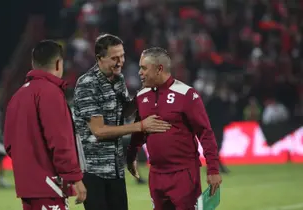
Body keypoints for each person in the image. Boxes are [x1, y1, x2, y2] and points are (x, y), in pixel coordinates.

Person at [73, 34, 170, 210]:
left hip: (116, 168)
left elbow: (125, 111)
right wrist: (141, 126)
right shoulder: (87, 84)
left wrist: (146, 89)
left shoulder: (118, 79)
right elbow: (99, 131)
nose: (120, 62)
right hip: (94, 171)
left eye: (122, 56)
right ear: (99, 58)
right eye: (114, 58)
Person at [126, 47, 222, 210]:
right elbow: (139, 132)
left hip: (184, 174)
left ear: (159, 69)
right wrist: (131, 156)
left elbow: (205, 133)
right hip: (156, 174)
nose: (140, 73)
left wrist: (213, 169)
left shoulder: (186, 94)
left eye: (144, 68)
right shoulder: (142, 96)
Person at [4, 40, 86, 210]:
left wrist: (29, 167)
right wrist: (75, 178)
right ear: (58, 63)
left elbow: (9, 144)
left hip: (28, 187)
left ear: (33, 64)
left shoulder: (18, 95)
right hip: (49, 186)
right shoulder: (51, 92)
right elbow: (60, 142)